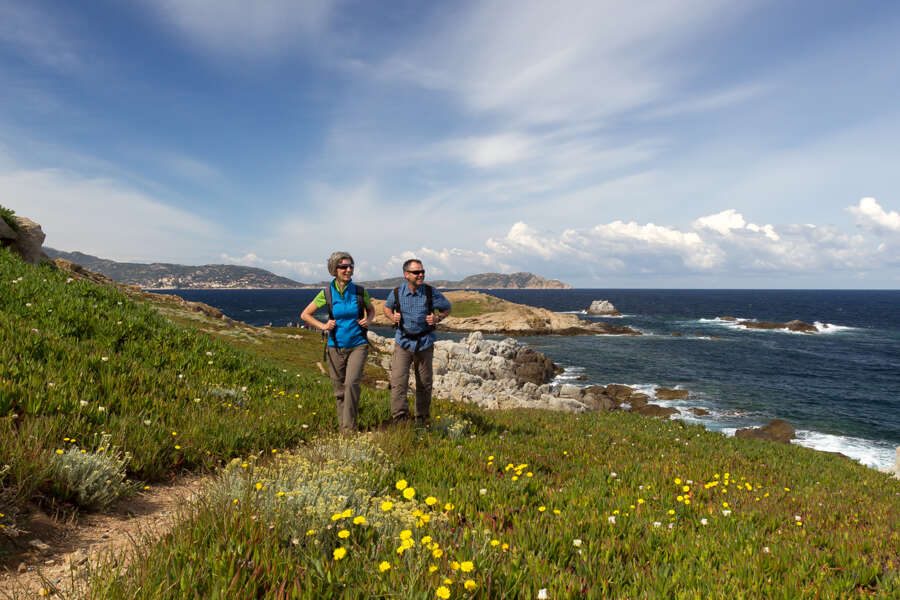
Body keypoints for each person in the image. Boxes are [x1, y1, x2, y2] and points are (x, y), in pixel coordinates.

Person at [301, 252, 374, 433]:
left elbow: (371, 310)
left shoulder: (359, 291)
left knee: (351, 385)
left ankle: (349, 429)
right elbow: (305, 315)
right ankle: (344, 429)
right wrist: (323, 326)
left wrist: (368, 320)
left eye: (351, 266)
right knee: (339, 390)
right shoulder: (327, 293)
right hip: (335, 346)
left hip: (358, 344)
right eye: (343, 267)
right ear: (334, 269)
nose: (348, 270)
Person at [383, 258, 451, 426]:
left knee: (425, 384)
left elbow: (447, 307)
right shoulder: (397, 292)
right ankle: (400, 420)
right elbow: (386, 307)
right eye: (416, 272)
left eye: (422, 271)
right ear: (406, 274)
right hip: (403, 343)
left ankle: (422, 419)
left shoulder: (430, 292)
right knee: (398, 382)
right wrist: (392, 316)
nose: (421, 274)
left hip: (424, 343)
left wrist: (437, 318)